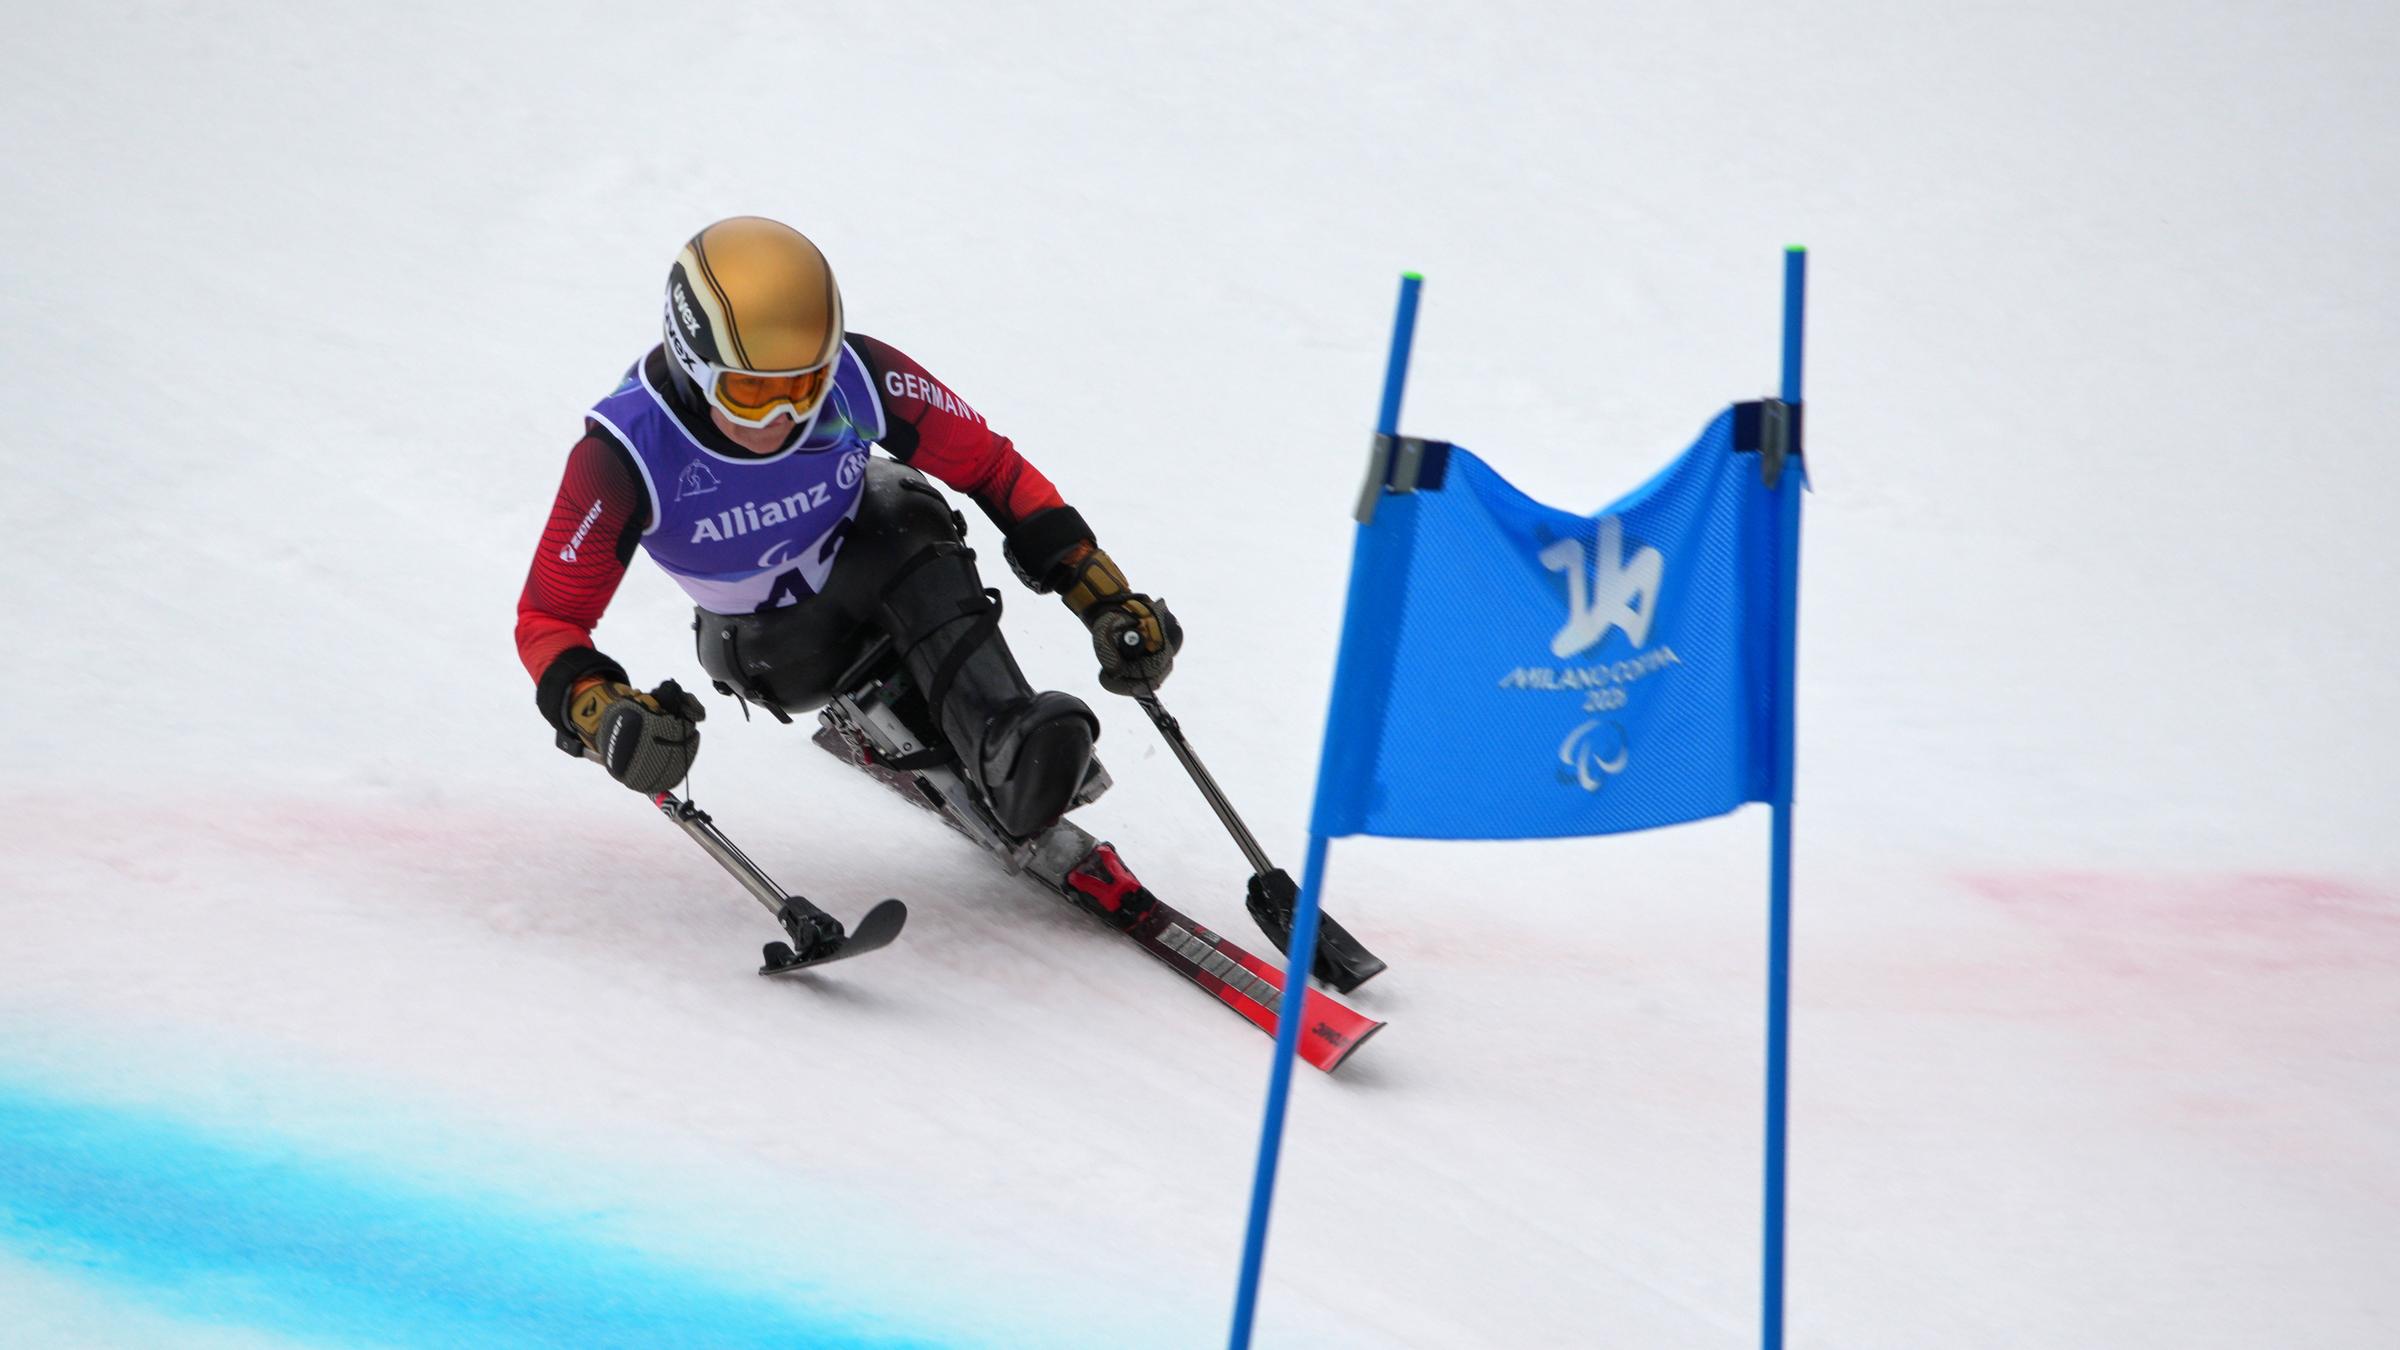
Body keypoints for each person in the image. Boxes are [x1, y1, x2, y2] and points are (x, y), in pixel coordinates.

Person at [515, 216, 1181, 839]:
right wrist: (599, 709)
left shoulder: (859, 375)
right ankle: (977, 738)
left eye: (806, 384)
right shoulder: (626, 454)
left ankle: (1004, 742)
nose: (783, 415)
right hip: (775, 648)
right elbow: (549, 618)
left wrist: (1095, 586)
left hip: (870, 560)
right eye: (751, 393)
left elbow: (989, 465)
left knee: (904, 505)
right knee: (897, 516)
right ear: (694, 367)